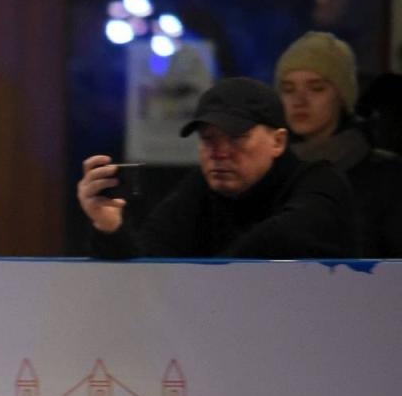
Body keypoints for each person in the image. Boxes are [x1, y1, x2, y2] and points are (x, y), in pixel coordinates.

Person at [79, 77, 357, 259]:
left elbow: (283, 237)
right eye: (208, 139)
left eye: (237, 137)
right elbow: (148, 267)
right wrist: (109, 227)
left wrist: (208, 279)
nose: (220, 153)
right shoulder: (200, 189)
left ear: (278, 141)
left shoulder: (318, 182)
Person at [275, 32, 402, 258]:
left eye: (316, 88)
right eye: (288, 89)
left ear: (342, 96)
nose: (299, 101)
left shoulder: (385, 176)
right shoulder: (270, 173)